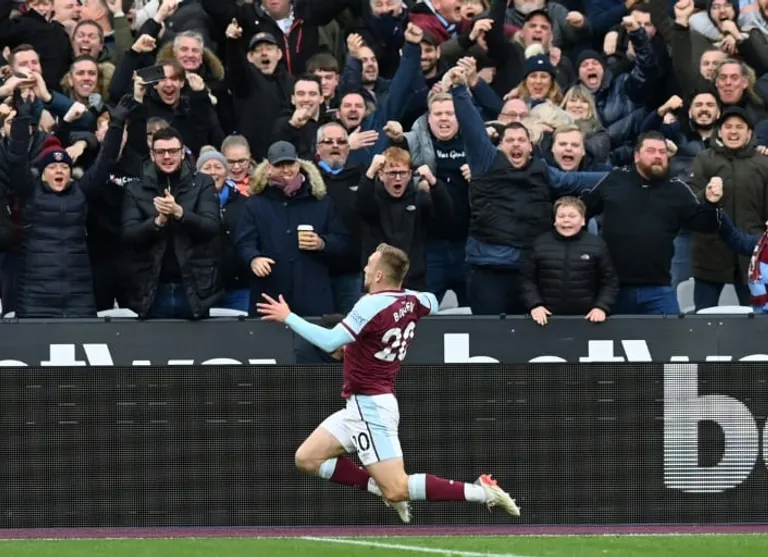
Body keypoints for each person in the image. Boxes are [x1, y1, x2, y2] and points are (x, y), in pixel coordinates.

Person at [256, 243, 521, 524]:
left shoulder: (370, 304)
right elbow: (432, 300)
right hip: (360, 404)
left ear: (380, 275)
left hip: (371, 406)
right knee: (308, 458)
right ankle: (377, 487)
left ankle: (482, 492)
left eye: (370, 264)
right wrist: (402, 296)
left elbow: (331, 341)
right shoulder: (413, 300)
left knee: (397, 488)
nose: (365, 268)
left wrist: (288, 317)